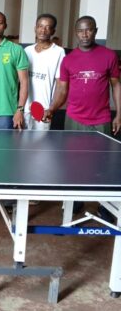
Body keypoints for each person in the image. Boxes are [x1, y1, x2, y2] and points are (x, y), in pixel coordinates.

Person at [44, 16, 121, 221]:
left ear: (95, 31)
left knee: (103, 165)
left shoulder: (109, 55)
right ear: (75, 32)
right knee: (74, 163)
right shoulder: (68, 60)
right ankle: (75, 201)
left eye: (89, 30)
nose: (84, 34)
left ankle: (106, 208)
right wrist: (52, 108)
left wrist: (119, 114)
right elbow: (62, 90)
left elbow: (116, 85)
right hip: (75, 118)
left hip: (101, 118)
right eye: (80, 31)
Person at [24, 14, 65, 130]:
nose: (43, 30)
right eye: (40, 26)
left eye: (47, 27)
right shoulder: (27, 51)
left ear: (53, 31)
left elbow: (60, 85)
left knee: (41, 141)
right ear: (35, 28)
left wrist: (51, 109)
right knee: (22, 140)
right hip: (25, 108)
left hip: (44, 110)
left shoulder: (58, 52)